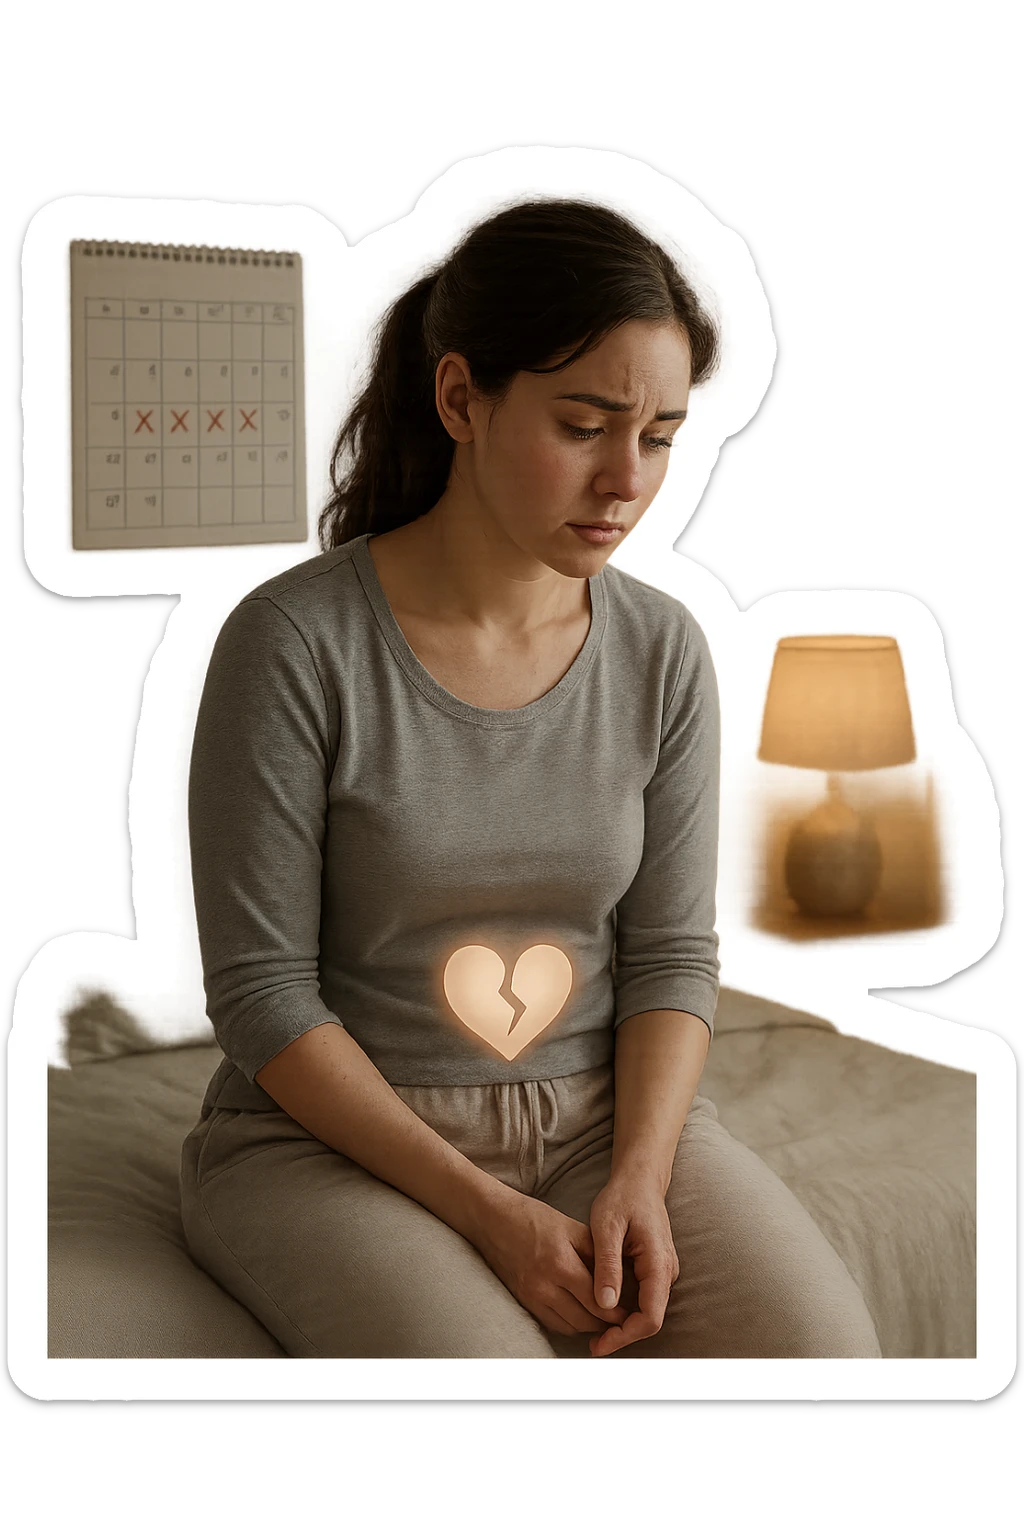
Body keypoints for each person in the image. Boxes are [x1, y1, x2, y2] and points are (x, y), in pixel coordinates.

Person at [178, 197, 882, 1360]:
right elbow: (263, 996)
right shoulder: (295, 643)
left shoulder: (661, 650)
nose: (625, 480)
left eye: (657, 436)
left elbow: (668, 955)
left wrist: (641, 1178)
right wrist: (495, 1218)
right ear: (461, 397)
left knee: (825, 1356)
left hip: (602, 1125)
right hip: (327, 1145)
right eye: (585, 424)